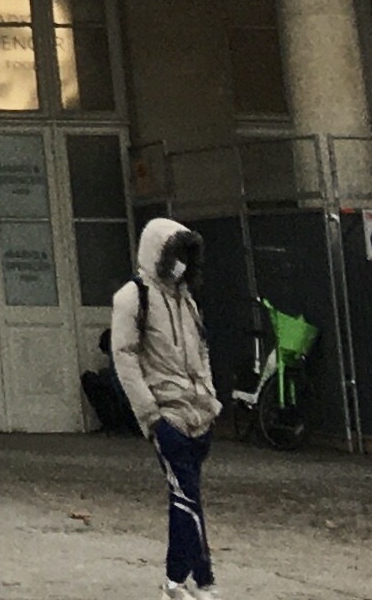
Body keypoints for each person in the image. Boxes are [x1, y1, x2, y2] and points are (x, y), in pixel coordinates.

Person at [109, 215, 223, 599]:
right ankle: (198, 580)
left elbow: (201, 351)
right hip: (168, 415)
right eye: (176, 255)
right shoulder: (133, 296)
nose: (181, 264)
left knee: (185, 498)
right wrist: (151, 416)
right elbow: (124, 357)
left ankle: (179, 582)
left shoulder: (186, 300)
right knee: (186, 496)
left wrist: (209, 400)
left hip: (198, 414)